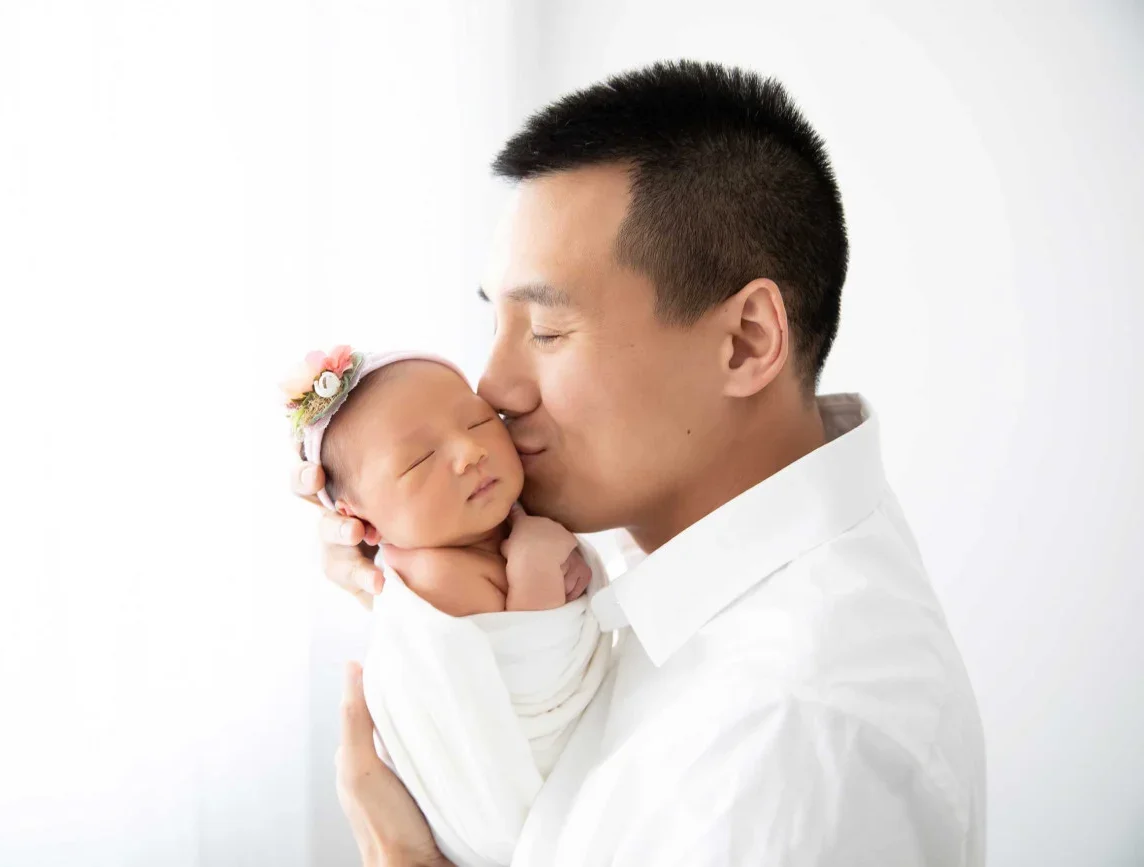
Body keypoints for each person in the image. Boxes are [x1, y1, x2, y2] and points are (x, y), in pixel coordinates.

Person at [293, 60, 986, 866]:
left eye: (547, 331)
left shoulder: (787, 737)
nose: (493, 386)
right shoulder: (688, 545)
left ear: (745, 341)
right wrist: (435, 575)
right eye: (497, 323)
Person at [284, 346, 610, 866]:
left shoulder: (493, 521)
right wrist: (534, 567)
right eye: (418, 461)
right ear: (358, 518)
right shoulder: (436, 576)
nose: (468, 452)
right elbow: (534, 673)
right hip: (520, 798)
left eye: (479, 421)